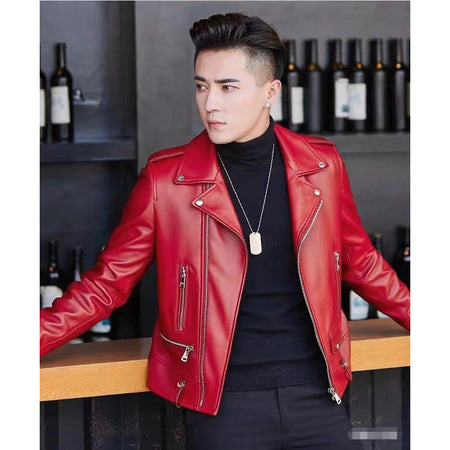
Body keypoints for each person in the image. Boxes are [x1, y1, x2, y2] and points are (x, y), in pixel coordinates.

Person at [40, 12, 410, 450]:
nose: (210, 103)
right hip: (221, 403)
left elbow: (361, 262)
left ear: (271, 91)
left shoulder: (321, 165)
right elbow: (107, 285)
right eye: (201, 86)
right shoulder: (166, 180)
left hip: (318, 392)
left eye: (227, 87)